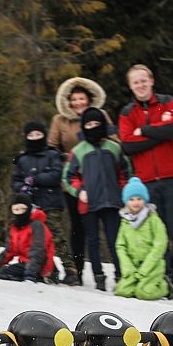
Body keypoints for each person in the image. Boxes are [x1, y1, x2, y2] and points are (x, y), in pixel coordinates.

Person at [118, 64, 173, 300]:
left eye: (144, 80)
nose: (140, 85)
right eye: (135, 82)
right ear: (131, 86)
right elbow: (128, 145)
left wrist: (144, 131)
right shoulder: (127, 112)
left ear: (151, 81)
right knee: (153, 235)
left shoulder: (168, 102)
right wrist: (156, 133)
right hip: (147, 183)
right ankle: (164, 279)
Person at [48, 77, 113, 285]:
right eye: (74, 99)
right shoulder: (60, 121)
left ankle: (109, 270)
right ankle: (76, 268)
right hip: (73, 179)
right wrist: (70, 159)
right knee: (78, 226)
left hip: (100, 178)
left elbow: (113, 141)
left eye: (82, 98)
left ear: (89, 99)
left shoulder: (100, 116)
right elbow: (52, 148)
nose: (78, 103)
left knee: (105, 225)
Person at [63, 107, 129, 291]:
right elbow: (67, 177)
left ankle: (120, 274)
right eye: (89, 124)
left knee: (115, 240)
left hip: (112, 201)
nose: (93, 127)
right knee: (92, 241)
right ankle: (98, 276)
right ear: (84, 127)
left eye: (96, 124)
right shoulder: (78, 151)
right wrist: (78, 191)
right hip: (89, 203)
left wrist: (123, 192)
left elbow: (125, 173)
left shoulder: (114, 147)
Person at [12, 120, 71, 283]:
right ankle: (47, 269)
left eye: (38, 135)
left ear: (44, 136)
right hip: (30, 204)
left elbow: (56, 174)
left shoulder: (52, 155)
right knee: (36, 240)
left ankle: (70, 269)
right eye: (31, 135)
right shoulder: (22, 159)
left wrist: (35, 179)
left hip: (50, 202)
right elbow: (15, 179)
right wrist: (21, 188)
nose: (34, 138)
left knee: (57, 237)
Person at [114, 177, 170, 301]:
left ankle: (165, 286)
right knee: (122, 291)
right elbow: (120, 245)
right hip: (133, 267)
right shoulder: (125, 221)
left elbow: (160, 244)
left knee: (144, 294)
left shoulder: (153, 219)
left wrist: (145, 268)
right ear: (126, 202)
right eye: (132, 199)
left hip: (152, 267)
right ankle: (138, 283)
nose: (136, 202)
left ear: (144, 200)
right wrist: (128, 267)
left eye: (139, 199)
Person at [0, 193, 55, 283]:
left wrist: (30, 274)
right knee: (2, 273)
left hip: (40, 266)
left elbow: (38, 252)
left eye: (22, 209)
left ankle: (41, 278)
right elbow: (9, 251)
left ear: (28, 209)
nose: (19, 213)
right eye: (16, 209)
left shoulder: (37, 225)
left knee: (6, 274)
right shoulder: (15, 228)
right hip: (26, 265)